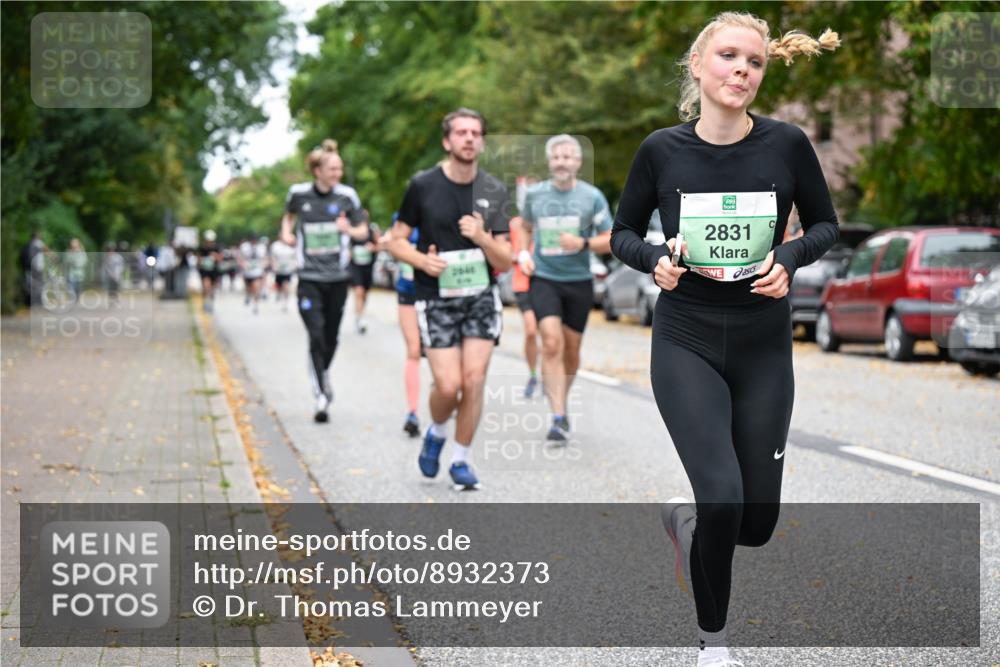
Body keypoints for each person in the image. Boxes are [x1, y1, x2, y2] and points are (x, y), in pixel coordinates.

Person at [611, 13, 841, 667]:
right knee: (723, 494)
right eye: (729, 56)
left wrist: (789, 258)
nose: (742, 69)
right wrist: (654, 258)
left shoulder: (788, 144)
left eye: (755, 62)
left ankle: (689, 523)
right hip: (685, 336)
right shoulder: (662, 150)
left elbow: (826, 226)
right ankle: (714, 643)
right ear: (698, 65)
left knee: (755, 522)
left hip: (762, 341)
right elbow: (622, 232)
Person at [387, 108, 512, 490]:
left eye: (476, 132)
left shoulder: (494, 190)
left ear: (482, 141)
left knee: (473, 381)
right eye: (461, 132)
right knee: (447, 385)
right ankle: (436, 432)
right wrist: (421, 259)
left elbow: (505, 260)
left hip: (480, 298)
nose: (469, 138)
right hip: (435, 297)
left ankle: (460, 459)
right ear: (448, 141)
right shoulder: (423, 186)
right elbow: (393, 240)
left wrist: (481, 236)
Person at [517, 135, 612, 441]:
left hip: (578, 282)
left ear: (578, 162)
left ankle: (561, 400)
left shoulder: (592, 197)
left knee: (571, 350)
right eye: (556, 157)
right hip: (544, 278)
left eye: (568, 157)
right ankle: (557, 415)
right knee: (552, 343)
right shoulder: (534, 195)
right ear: (549, 162)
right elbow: (524, 227)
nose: (562, 162)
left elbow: (610, 237)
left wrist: (582, 242)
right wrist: (522, 254)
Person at [279, 139, 369, 423]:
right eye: (332, 168)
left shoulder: (348, 196)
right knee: (315, 334)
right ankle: (321, 395)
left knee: (331, 337)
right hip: (309, 278)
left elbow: (363, 231)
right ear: (317, 170)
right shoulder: (299, 194)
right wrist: (286, 233)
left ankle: (322, 372)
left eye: (340, 168)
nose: (338, 173)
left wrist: (348, 229)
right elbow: (288, 216)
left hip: (338, 277)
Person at [392, 217, 423, 437]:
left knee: (440, 351)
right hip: (408, 292)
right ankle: (412, 412)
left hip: (437, 294)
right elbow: (393, 240)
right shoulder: (402, 218)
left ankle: (445, 395)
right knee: (413, 350)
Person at [508, 216, 540, 398]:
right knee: (531, 330)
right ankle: (533, 374)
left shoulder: (546, 219)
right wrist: (519, 257)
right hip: (522, 283)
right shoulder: (514, 224)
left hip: (546, 283)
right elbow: (506, 252)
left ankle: (547, 373)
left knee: (549, 334)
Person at [348, 209, 380, 334]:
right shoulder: (353, 232)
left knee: (365, 294)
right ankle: (360, 319)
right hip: (356, 267)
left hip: (368, 267)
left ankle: (360, 313)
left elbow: (380, 246)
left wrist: (373, 248)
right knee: (358, 291)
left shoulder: (373, 230)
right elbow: (347, 246)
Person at [239, 236, 268, 314]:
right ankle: (248, 295)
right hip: (247, 272)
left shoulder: (262, 247)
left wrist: (263, 265)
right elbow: (240, 258)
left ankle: (256, 305)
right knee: (249, 288)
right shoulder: (244, 247)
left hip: (257, 271)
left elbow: (265, 258)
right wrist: (243, 265)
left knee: (256, 288)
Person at [269, 235, 297, 313]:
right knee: (279, 286)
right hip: (278, 270)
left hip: (288, 270)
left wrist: (294, 265)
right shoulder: (275, 245)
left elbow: (296, 256)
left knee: (286, 285)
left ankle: (285, 302)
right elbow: (272, 257)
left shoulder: (292, 245)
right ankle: (279, 294)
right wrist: (274, 265)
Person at [198, 230, 223, 312]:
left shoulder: (217, 247)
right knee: (206, 286)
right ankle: (205, 302)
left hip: (214, 271)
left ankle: (211, 303)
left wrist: (215, 256)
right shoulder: (202, 248)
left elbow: (221, 259)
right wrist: (202, 260)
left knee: (212, 289)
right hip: (205, 270)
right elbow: (198, 259)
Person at [65, 238, 88, 302]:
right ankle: (72, 298)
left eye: (75, 244)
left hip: (79, 273)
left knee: (78, 288)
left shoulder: (81, 252)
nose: (74, 246)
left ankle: (77, 298)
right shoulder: (69, 252)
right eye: (72, 244)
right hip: (71, 273)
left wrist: (76, 263)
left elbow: (84, 261)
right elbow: (67, 261)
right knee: (71, 286)